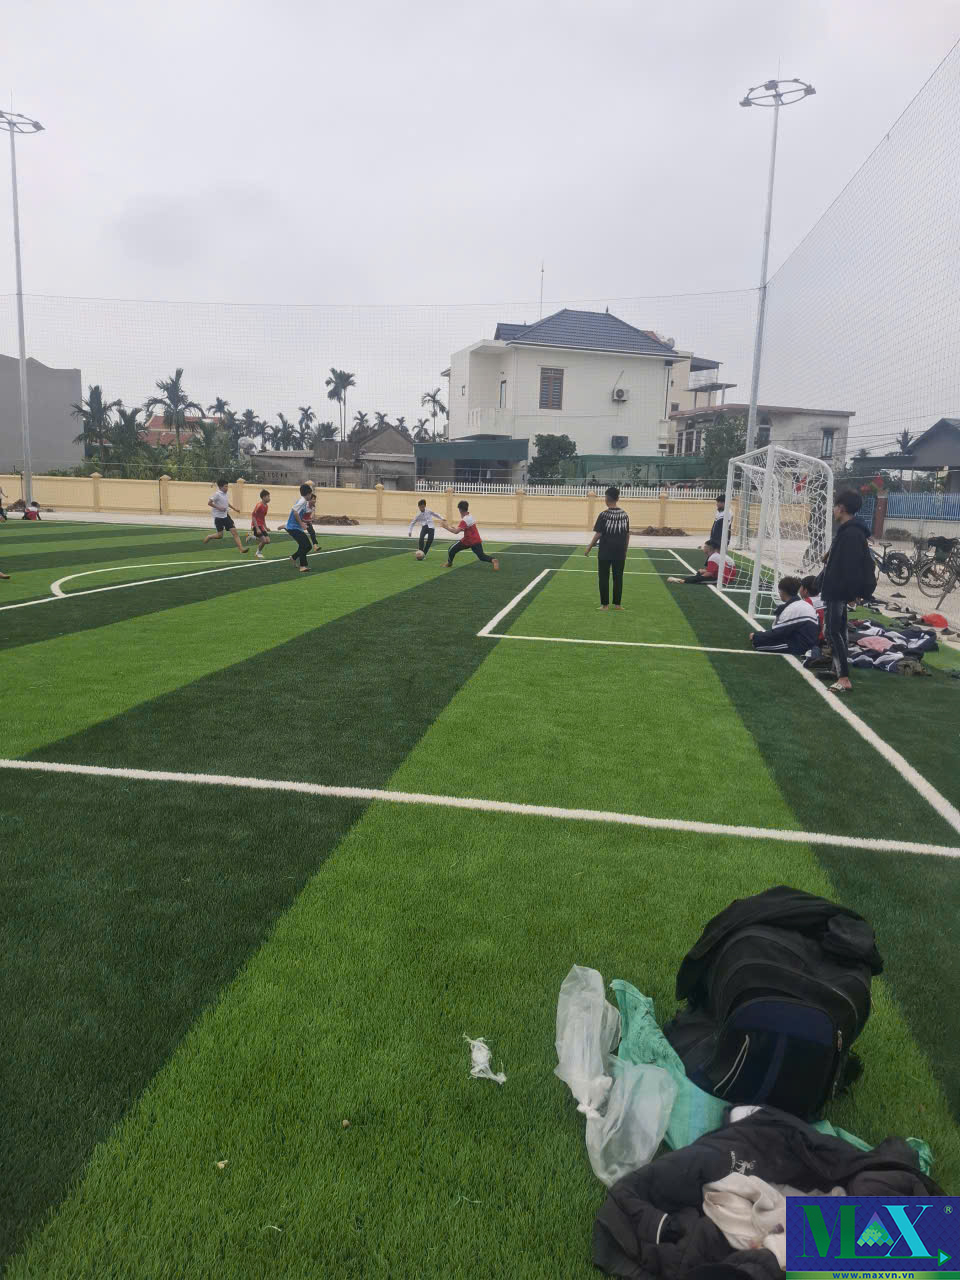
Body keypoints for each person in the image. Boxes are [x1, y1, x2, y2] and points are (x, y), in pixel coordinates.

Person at [816, 489, 876, 694]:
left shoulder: (851, 534)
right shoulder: (848, 531)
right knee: (838, 630)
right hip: (836, 588)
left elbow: (852, 567)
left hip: (839, 589)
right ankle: (837, 670)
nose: (833, 510)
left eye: (835, 506)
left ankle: (844, 678)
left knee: (833, 631)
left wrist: (852, 594)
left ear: (841, 508)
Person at [584, 485, 631, 610]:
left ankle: (605, 605)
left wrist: (589, 547)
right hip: (620, 552)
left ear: (606, 498)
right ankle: (618, 605)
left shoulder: (603, 515)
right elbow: (627, 534)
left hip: (605, 551)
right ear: (617, 498)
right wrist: (625, 550)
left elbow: (598, 534)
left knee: (604, 577)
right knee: (618, 578)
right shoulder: (624, 515)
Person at [749, 576, 820, 656]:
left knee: (758, 643)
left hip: (801, 644)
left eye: (779, 591)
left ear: (783, 592)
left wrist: (757, 636)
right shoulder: (801, 604)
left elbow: (778, 632)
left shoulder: (792, 608)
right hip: (809, 640)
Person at [440, 501, 499, 570]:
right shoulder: (470, 516)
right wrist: (456, 528)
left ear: (460, 510)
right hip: (476, 540)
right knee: (481, 556)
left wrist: (446, 527)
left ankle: (449, 563)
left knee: (451, 549)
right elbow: (467, 528)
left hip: (467, 541)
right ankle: (493, 560)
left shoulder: (464, 520)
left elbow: (456, 532)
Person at [203, 478, 248, 553]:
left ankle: (241, 549)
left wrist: (235, 509)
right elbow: (209, 503)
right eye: (225, 486)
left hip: (226, 516)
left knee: (234, 532)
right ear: (220, 487)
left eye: (227, 486)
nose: (227, 488)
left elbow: (227, 503)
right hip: (218, 518)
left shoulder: (226, 494)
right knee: (220, 536)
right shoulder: (217, 494)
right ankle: (209, 536)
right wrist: (219, 508)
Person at [667, 539, 736, 585]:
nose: (703, 548)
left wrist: (699, 577)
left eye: (705, 546)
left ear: (709, 548)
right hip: (726, 576)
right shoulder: (715, 556)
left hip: (723, 579)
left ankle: (681, 580)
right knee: (700, 574)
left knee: (699, 579)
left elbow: (709, 574)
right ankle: (683, 580)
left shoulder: (714, 557)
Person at [285, 483, 314, 572]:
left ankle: (294, 557)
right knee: (305, 545)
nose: (311, 496)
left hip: (295, 527)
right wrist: (301, 524)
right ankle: (302, 566)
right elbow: (295, 513)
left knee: (307, 546)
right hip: (293, 528)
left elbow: (298, 514)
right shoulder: (302, 501)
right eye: (311, 494)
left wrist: (305, 521)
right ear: (308, 494)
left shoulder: (303, 501)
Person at [246, 488, 272, 559]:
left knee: (268, 541)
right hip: (255, 525)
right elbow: (253, 516)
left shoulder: (266, 506)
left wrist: (266, 527)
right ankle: (258, 553)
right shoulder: (259, 505)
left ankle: (251, 536)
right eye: (268, 496)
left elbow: (263, 517)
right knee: (263, 540)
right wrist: (257, 528)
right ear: (263, 497)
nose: (269, 498)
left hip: (261, 525)